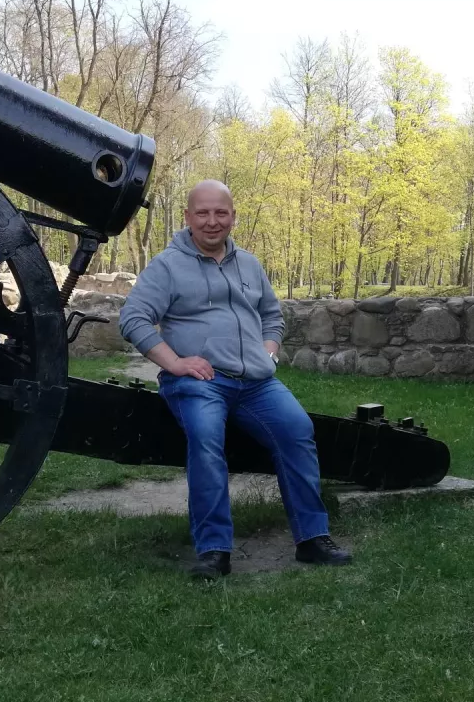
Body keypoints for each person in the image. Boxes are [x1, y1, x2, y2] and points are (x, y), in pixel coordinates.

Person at [119, 179, 353, 579]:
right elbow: (133, 318)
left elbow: (272, 315)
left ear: (232, 217)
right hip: (201, 382)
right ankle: (214, 550)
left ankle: (312, 539)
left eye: (221, 213)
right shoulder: (167, 266)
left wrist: (268, 351)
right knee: (207, 441)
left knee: (297, 430)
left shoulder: (249, 264)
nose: (212, 221)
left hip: (256, 383)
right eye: (203, 213)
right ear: (188, 217)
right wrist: (174, 362)